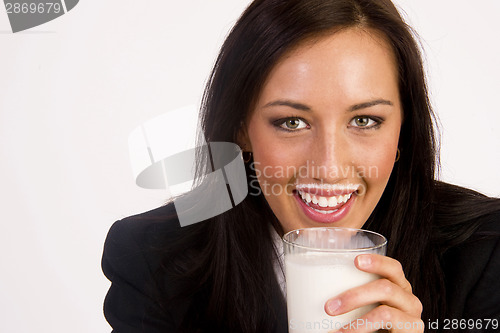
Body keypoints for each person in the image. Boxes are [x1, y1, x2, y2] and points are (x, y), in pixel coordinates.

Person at [102, 0, 500, 332]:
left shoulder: (484, 250)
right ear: (241, 130)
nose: (328, 169)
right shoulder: (151, 258)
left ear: (403, 131)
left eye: (364, 121)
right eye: (291, 122)